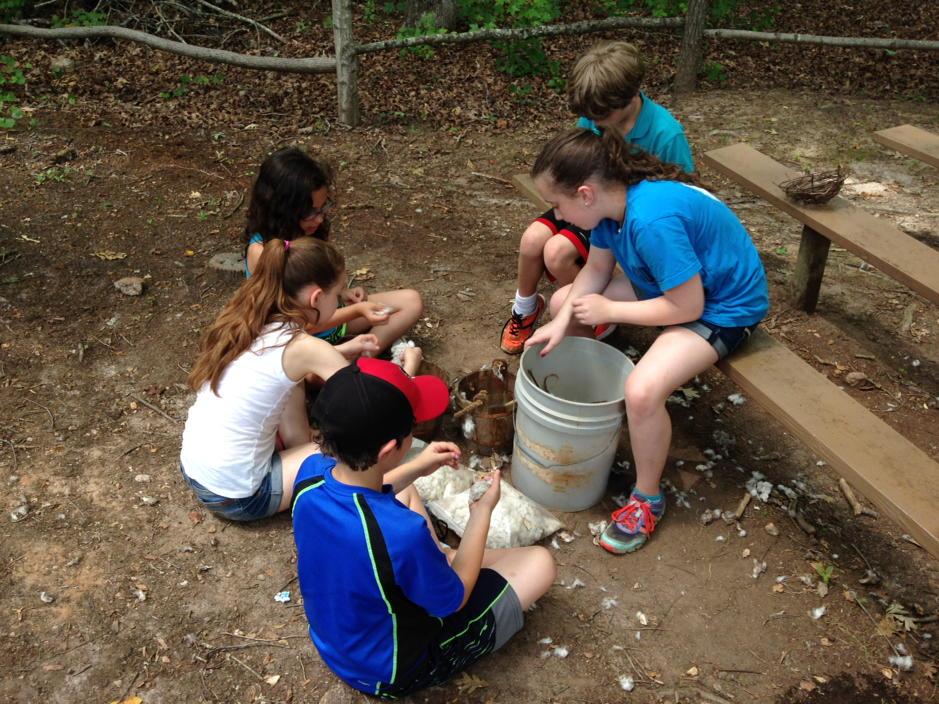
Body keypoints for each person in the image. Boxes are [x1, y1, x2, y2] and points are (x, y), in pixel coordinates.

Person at [526, 127, 768, 555]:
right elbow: (596, 272)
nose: (558, 218)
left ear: (584, 194)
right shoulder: (609, 209)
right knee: (567, 299)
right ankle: (595, 403)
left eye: (557, 205)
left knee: (640, 391)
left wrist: (612, 312)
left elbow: (688, 306)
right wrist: (560, 321)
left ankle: (647, 499)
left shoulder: (650, 219)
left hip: (722, 306)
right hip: (668, 284)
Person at [292, 358, 556, 697]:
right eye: (410, 430)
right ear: (390, 449)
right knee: (539, 563)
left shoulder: (310, 472)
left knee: (405, 492)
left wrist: (416, 468)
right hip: (391, 670)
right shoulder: (403, 534)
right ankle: (444, 559)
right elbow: (455, 598)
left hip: (339, 639)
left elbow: (368, 493)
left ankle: (442, 560)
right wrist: (481, 514)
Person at [500, 41, 694, 354]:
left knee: (557, 254)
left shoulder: (665, 134)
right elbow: (581, 162)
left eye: (601, 114)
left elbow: (682, 191)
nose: (595, 122)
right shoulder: (595, 114)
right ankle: (525, 309)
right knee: (532, 239)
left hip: (623, 217)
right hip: (588, 204)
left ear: (630, 95)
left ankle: (595, 316)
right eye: (590, 115)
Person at [180, 237, 379, 521]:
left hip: (198, 471)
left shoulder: (250, 318)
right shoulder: (304, 347)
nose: (338, 302)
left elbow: (275, 367)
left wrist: (343, 350)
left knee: (291, 388)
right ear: (316, 298)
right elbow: (366, 406)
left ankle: (298, 449)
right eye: (336, 295)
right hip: (240, 497)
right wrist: (406, 369)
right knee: (362, 449)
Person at [243, 146, 423, 360]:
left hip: (331, 320)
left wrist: (340, 293)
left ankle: (362, 355)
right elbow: (293, 328)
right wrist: (357, 310)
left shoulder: (304, 230)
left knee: (411, 301)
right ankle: (342, 364)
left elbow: (316, 287)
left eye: (322, 208)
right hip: (301, 340)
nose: (319, 219)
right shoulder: (263, 253)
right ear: (283, 208)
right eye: (310, 212)